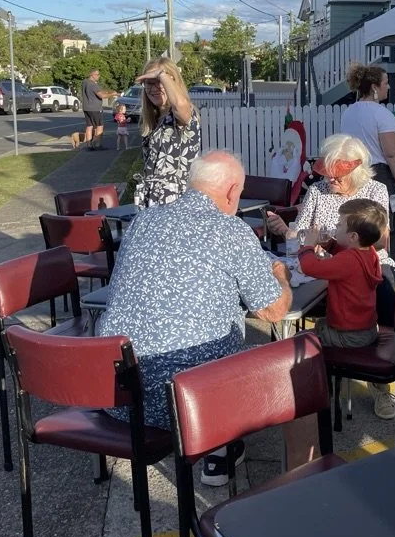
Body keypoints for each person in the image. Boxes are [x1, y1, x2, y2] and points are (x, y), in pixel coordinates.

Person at [98, 151, 293, 487]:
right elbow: (273, 310)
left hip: (119, 395)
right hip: (192, 401)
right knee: (290, 360)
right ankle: (223, 452)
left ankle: (220, 447)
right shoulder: (232, 230)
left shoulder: (143, 221)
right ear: (232, 192)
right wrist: (280, 274)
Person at [264, 134, 395, 419]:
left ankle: (379, 383)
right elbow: (300, 234)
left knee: (381, 298)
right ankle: (315, 387)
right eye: (328, 175)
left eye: (338, 177)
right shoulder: (318, 191)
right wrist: (287, 230)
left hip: (366, 264)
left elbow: (379, 242)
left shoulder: (375, 190)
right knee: (301, 305)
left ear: (357, 171)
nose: (331, 182)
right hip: (325, 265)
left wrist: (338, 245)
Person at [298, 199, 386, 350]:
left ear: (352, 237)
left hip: (349, 336)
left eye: (339, 224)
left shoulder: (349, 260)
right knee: (320, 325)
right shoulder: (369, 252)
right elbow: (344, 253)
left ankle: (316, 372)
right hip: (366, 329)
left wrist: (308, 246)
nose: (336, 226)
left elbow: (309, 267)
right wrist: (329, 243)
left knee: (296, 342)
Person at [340, 63, 395, 208]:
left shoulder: (348, 113)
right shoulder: (383, 114)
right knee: (378, 224)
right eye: (386, 83)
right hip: (377, 175)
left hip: (351, 174)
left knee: (354, 220)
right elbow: (392, 154)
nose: (389, 87)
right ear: (374, 87)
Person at [135, 57, 201, 209]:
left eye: (160, 82)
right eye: (149, 83)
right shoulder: (156, 119)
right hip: (152, 201)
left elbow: (180, 104)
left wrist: (162, 74)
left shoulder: (183, 114)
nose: (154, 88)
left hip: (176, 202)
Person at [81, 69, 119, 150]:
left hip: (86, 108)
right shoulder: (93, 85)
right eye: (97, 74)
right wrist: (112, 94)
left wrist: (108, 92)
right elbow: (101, 96)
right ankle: (97, 144)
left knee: (89, 126)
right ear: (92, 75)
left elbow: (97, 92)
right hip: (95, 108)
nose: (99, 76)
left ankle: (89, 145)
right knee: (100, 126)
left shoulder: (85, 82)